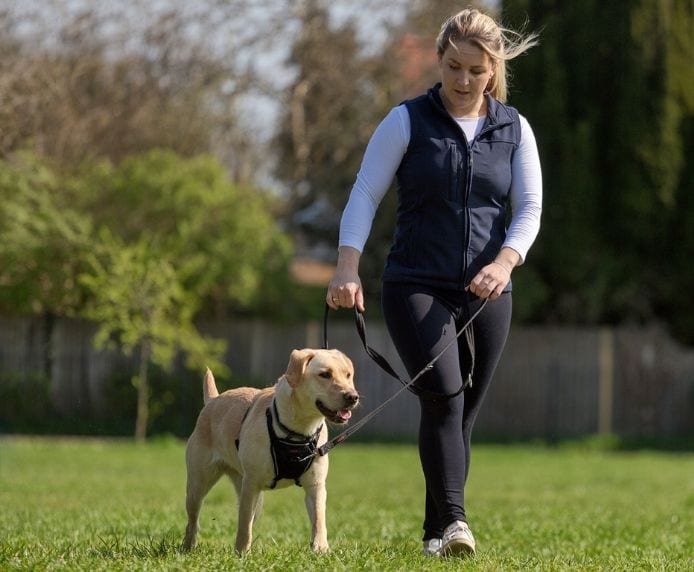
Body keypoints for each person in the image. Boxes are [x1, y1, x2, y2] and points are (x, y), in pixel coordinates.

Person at [325, 7, 542, 558]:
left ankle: (432, 533)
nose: (463, 81)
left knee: (462, 413)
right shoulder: (407, 120)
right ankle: (457, 527)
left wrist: (506, 262)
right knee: (445, 396)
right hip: (415, 283)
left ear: (493, 69)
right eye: (453, 67)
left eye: (476, 70)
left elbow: (530, 208)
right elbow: (365, 194)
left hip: (488, 289)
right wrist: (348, 265)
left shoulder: (514, 128)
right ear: (438, 61)